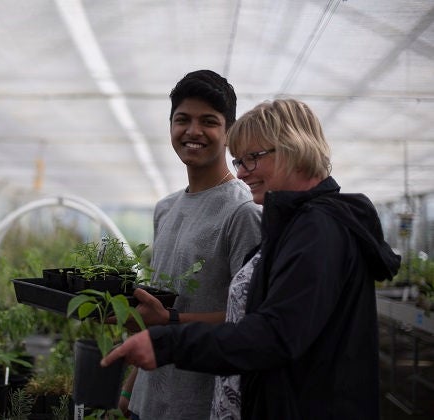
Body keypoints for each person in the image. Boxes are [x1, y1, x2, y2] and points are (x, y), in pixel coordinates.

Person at [102, 98, 401, 420]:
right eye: (238, 161)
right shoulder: (293, 225)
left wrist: (168, 343)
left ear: (293, 147)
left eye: (252, 159)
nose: (242, 173)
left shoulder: (319, 230)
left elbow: (274, 334)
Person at [120, 70, 262, 419]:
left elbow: (251, 321)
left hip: (200, 404)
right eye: (182, 119)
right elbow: (157, 306)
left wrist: (170, 319)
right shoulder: (166, 208)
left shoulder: (243, 211)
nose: (193, 131)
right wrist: (130, 386)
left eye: (208, 121)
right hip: (148, 401)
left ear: (228, 132)